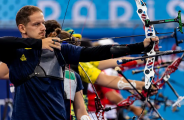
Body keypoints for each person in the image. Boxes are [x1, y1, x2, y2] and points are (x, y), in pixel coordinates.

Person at [0, 5, 159, 120]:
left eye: (43, 22)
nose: (42, 27)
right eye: (36, 24)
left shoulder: (60, 49)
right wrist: (38, 44)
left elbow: (98, 52)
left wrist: (140, 47)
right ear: (22, 27)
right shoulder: (15, 53)